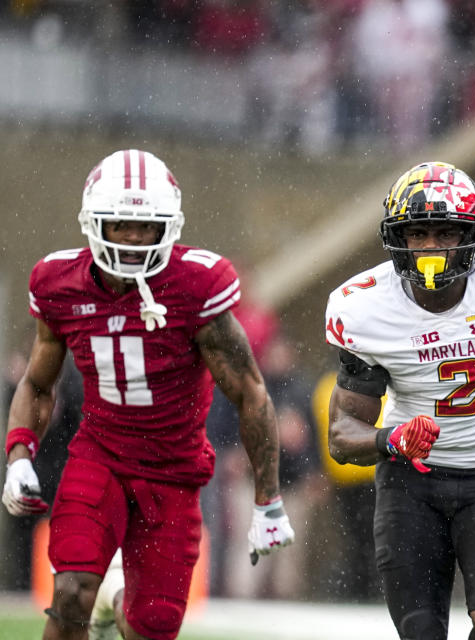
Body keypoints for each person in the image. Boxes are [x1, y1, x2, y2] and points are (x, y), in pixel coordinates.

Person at [1, 149, 295, 640]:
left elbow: (252, 395)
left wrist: (268, 500)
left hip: (174, 472)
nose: (135, 239)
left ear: (170, 227)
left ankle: (114, 611)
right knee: (71, 589)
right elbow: (37, 381)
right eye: (121, 225)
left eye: (147, 226)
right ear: (95, 222)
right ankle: (90, 607)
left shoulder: (196, 285)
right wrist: (18, 455)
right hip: (99, 457)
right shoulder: (60, 283)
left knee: (151, 626)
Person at [324, 161, 475, 640]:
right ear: (397, 238)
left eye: (444, 232)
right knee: (421, 633)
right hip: (412, 482)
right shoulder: (366, 307)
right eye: (418, 234)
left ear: (472, 235)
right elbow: (341, 435)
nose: (432, 248)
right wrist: (393, 439)